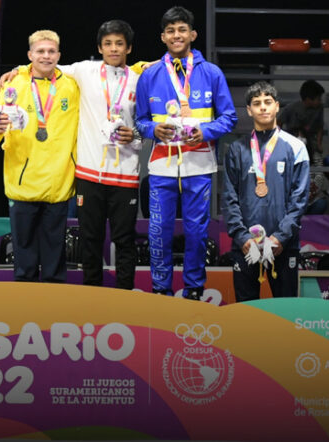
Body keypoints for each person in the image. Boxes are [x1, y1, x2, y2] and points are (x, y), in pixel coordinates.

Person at [0, 21, 144, 290]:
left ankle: (125, 295)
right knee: (90, 239)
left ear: (129, 48)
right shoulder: (83, 71)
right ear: (99, 47)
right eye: (108, 44)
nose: (113, 49)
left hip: (125, 172)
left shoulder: (139, 79)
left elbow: (146, 123)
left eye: (119, 44)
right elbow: (45, 64)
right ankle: (91, 295)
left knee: (125, 240)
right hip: (88, 172)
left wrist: (134, 135)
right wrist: (17, 70)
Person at [135, 6, 237, 300]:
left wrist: (205, 131)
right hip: (161, 166)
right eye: (170, 31)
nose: (176, 35)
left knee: (196, 231)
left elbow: (229, 117)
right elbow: (140, 121)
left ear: (193, 34)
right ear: (163, 37)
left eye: (182, 29)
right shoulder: (150, 75)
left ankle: (194, 289)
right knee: (158, 230)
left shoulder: (212, 73)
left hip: (199, 164)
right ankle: (160, 290)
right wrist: (154, 130)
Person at [0, 30, 79, 282]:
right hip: (22, 183)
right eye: (40, 51)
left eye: (51, 51)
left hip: (58, 182)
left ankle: (54, 301)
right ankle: (25, 301)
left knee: (55, 253)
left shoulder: (72, 86)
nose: (46, 56)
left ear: (59, 55)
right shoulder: (14, 84)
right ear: (30, 55)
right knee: (24, 255)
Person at [222, 81, 309, 301]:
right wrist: (242, 238)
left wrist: (280, 237)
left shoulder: (296, 147)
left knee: (285, 312)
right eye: (257, 103)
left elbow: (299, 199)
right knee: (246, 312)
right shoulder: (236, 149)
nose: (263, 107)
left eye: (268, 102)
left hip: (283, 246)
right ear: (249, 110)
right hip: (246, 246)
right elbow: (229, 197)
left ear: (277, 106)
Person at [278, 80, 327, 215]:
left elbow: (320, 127)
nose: (319, 101)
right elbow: (278, 122)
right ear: (308, 99)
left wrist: (318, 143)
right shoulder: (291, 108)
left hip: (311, 144)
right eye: (318, 99)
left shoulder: (319, 108)